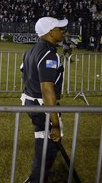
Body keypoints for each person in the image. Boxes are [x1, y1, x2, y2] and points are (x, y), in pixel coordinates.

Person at [21, 17, 66, 183]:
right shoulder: (48, 53)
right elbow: (47, 90)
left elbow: (24, 73)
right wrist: (55, 123)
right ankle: (35, 179)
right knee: (48, 148)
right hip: (42, 105)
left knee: (42, 140)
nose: (62, 31)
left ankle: (35, 177)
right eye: (59, 28)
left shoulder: (31, 50)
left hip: (31, 102)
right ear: (50, 32)